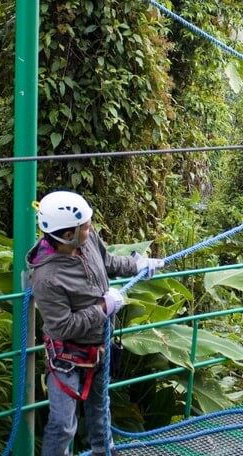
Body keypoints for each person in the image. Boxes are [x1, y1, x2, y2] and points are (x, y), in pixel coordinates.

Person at [27, 190, 164, 456]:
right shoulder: (46, 277)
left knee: (101, 408)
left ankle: (104, 450)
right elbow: (62, 326)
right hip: (66, 357)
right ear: (67, 234)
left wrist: (137, 265)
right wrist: (103, 308)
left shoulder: (85, 241)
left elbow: (108, 261)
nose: (91, 230)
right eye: (86, 227)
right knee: (63, 423)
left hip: (99, 347)